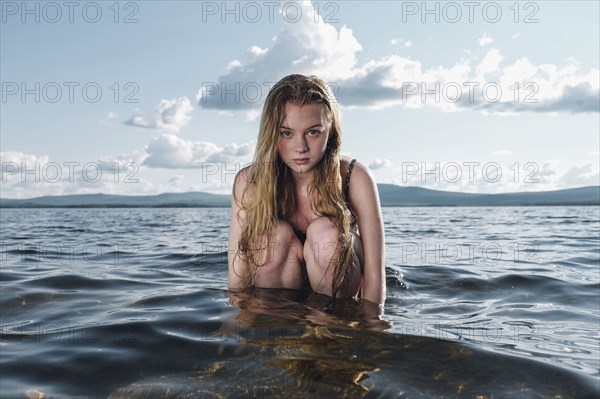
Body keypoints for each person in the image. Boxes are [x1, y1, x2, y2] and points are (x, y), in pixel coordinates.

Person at [227, 74, 385, 306]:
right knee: (273, 237)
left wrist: (372, 334)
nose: (300, 148)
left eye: (313, 132)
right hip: (279, 297)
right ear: (272, 133)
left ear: (330, 130)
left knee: (326, 233)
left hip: (337, 297)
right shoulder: (250, 181)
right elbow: (238, 277)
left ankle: (332, 329)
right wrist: (235, 332)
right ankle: (279, 330)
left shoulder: (354, 177)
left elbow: (375, 277)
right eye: (287, 133)